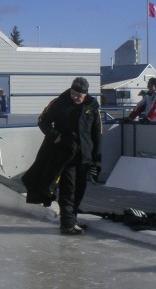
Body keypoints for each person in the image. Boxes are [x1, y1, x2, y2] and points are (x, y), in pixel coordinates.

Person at [21, 77, 102, 235]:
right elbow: (42, 121)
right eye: (74, 93)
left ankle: (73, 219)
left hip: (84, 156)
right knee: (68, 189)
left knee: (80, 189)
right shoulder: (59, 102)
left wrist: (97, 157)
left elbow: (97, 132)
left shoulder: (92, 106)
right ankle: (67, 224)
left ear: (85, 95)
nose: (76, 97)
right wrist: (55, 136)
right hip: (65, 155)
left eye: (79, 95)